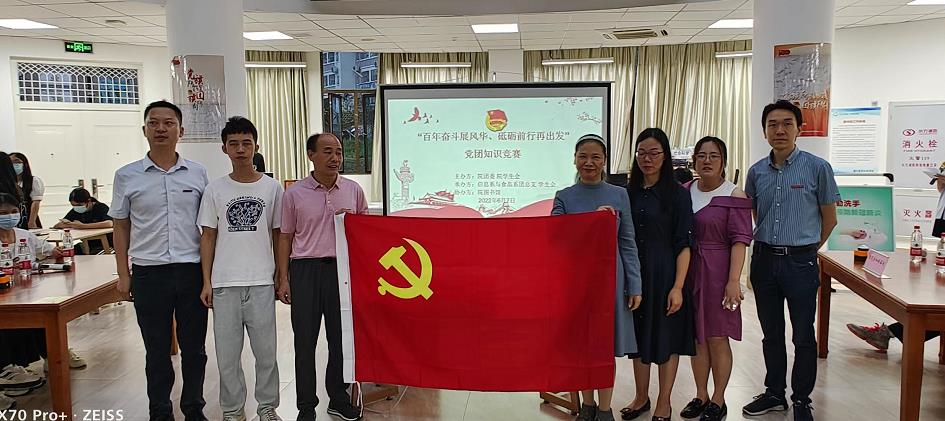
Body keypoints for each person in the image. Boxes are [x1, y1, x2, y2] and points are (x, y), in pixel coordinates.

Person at [109, 100, 210, 421]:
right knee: (156, 350)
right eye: (154, 123)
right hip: (149, 273)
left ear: (181, 130)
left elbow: (208, 228)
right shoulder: (127, 175)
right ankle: (160, 411)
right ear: (145, 130)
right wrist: (123, 274)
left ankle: (193, 408)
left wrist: (209, 276)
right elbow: (120, 226)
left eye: (169, 123)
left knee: (194, 349)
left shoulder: (198, 173)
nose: (161, 129)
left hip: (191, 270)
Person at [742, 100, 839, 421]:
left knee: (803, 335)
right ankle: (774, 393)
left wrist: (807, 249)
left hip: (800, 262)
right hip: (764, 260)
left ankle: (801, 399)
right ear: (764, 131)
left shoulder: (818, 168)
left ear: (800, 129)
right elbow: (756, 216)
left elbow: (830, 219)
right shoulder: (756, 172)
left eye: (787, 123)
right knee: (771, 332)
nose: (779, 130)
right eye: (772, 124)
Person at [197, 116, 284, 421]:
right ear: (224, 148)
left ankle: (267, 408)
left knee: (266, 353)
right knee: (227, 357)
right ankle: (233, 411)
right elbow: (208, 236)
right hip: (224, 283)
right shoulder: (215, 189)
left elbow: (279, 235)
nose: (241, 149)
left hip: (261, 281)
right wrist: (206, 281)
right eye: (233, 144)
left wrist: (281, 275)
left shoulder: (272, 188)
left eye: (246, 143)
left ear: (256, 146)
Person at [552, 134, 643, 421]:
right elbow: (556, 237)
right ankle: (587, 404)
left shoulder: (619, 195)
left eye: (595, 157)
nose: (589, 162)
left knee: (604, 347)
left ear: (604, 161)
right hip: (575, 282)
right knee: (581, 347)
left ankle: (604, 409)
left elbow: (627, 242)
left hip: (611, 282)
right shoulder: (564, 196)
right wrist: (592, 221)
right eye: (583, 156)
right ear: (574, 159)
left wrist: (635, 284)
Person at [278, 133, 365, 421]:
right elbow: (285, 237)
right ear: (311, 155)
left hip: (342, 272)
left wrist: (352, 224)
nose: (335, 158)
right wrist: (283, 278)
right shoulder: (294, 194)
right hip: (305, 271)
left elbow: (366, 233)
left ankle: (338, 398)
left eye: (338, 152)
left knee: (341, 340)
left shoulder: (353, 190)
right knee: (305, 342)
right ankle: (306, 407)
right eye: (327, 151)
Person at [621, 128, 695, 421]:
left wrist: (678, 286)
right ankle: (641, 397)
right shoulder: (627, 193)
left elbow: (684, 244)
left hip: (665, 276)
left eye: (654, 153)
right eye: (641, 153)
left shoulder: (678, 195)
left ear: (665, 157)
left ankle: (664, 401)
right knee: (638, 338)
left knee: (667, 339)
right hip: (634, 275)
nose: (647, 159)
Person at [679, 137, 752, 421]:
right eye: (701, 155)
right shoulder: (685, 191)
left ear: (723, 161)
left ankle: (719, 399)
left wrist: (734, 281)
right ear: (694, 161)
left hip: (719, 271)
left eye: (714, 156)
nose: (707, 161)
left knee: (717, 337)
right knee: (697, 336)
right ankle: (701, 395)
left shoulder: (734, 195)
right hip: (689, 270)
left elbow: (740, 241)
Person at [0, 191, 65, 409]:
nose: (9, 216)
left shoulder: (23, 235)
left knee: (44, 312)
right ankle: (6, 370)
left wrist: (55, 251)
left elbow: (47, 250)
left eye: (13, 211)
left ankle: (50, 356)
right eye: (3, 213)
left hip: (25, 291)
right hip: (3, 295)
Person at [53, 188, 113, 255]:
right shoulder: (75, 211)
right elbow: (58, 225)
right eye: (73, 205)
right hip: (87, 243)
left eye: (79, 205)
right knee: (63, 252)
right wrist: (70, 224)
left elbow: (109, 223)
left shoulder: (101, 207)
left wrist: (82, 226)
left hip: (104, 244)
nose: (76, 207)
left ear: (88, 201)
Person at [9, 153, 43, 229]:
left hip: (28, 217)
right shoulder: (7, 182)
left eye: (16, 161)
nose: (14, 164)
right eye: (11, 162)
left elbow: (35, 203)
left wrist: (31, 222)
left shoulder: (33, 181)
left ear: (25, 164)